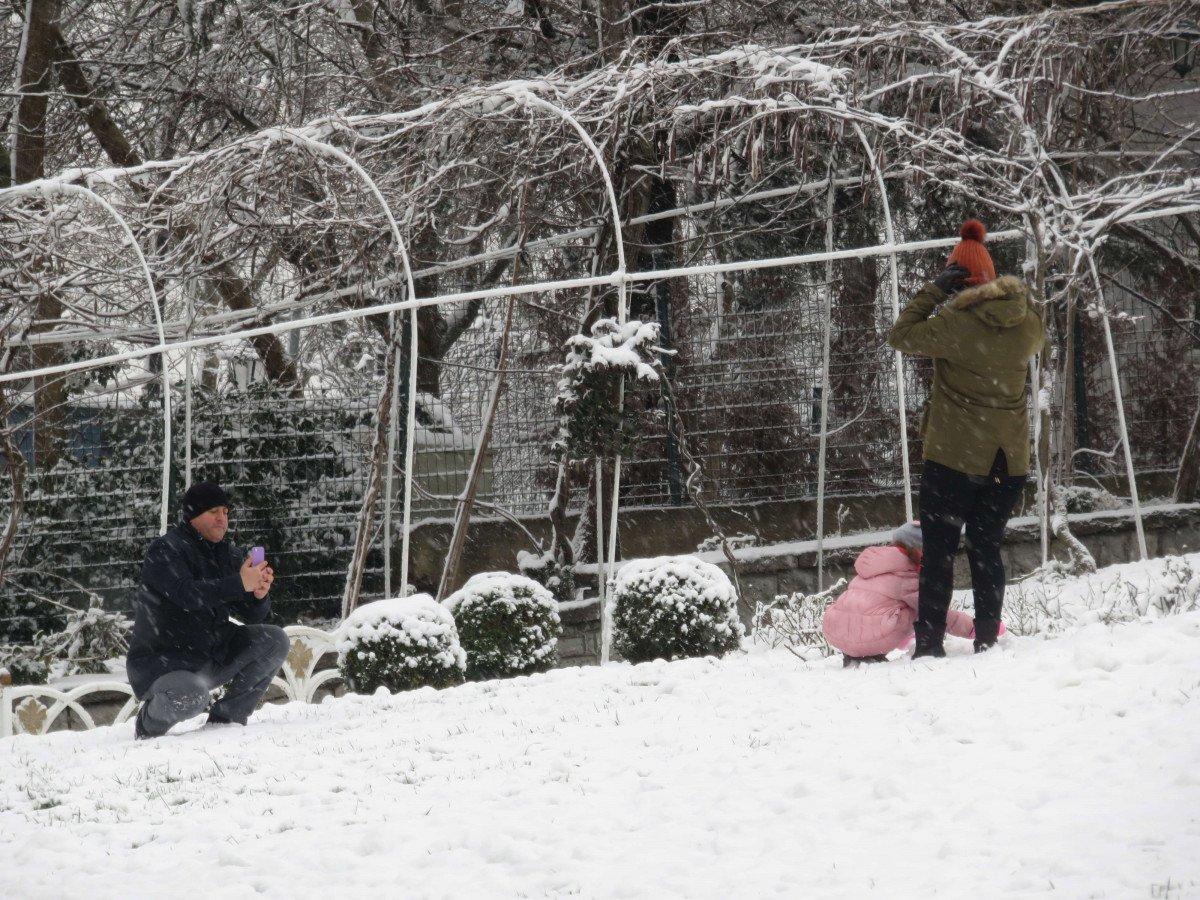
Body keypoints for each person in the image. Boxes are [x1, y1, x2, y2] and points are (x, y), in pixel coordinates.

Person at [888, 219, 1045, 659]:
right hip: (1006, 461)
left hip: (954, 457)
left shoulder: (954, 324)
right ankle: (988, 638)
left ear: (957, 278)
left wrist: (934, 292)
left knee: (938, 553)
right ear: (992, 278)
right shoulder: (1027, 325)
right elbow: (1032, 316)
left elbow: (900, 335)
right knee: (986, 548)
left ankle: (930, 645)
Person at [126, 481, 288, 739]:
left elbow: (251, 615)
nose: (222, 519)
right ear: (193, 516)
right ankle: (148, 726)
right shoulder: (165, 550)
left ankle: (227, 720)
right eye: (214, 512)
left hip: (211, 653)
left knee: (274, 639)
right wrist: (239, 583)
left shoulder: (227, 554)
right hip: (166, 662)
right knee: (191, 696)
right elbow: (188, 595)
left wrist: (258, 595)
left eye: (225, 512)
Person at [821, 522, 992, 666]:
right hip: (872, 636)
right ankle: (875, 646)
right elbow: (937, 612)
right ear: (919, 552)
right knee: (924, 606)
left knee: (881, 604)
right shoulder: (906, 575)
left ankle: (857, 652)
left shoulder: (876, 565)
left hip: (837, 632)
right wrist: (974, 628)